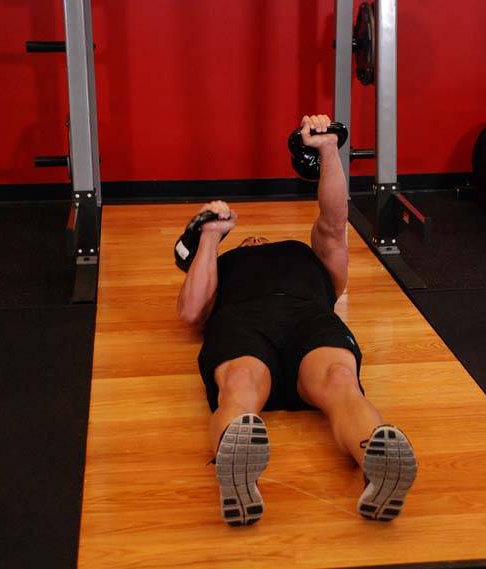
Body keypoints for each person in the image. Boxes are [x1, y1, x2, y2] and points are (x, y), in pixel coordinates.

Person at [176, 114, 417, 526]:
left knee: (342, 383)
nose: (256, 239)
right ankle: (237, 474)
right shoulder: (222, 263)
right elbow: (191, 311)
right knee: (240, 385)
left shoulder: (312, 256)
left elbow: (333, 221)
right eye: (249, 239)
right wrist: (212, 236)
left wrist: (327, 149)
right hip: (245, 321)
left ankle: (376, 464)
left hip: (308, 317)